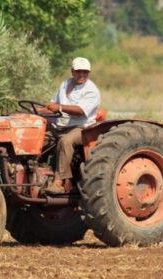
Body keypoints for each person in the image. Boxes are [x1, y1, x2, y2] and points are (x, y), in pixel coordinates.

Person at [39, 57, 101, 194]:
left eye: (85, 72)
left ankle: (59, 181)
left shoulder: (91, 91)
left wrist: (59, 107)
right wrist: (36, 111)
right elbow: (52, 105)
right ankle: (35, 173)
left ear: (89, 73)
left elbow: (80, 111)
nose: (82, 75)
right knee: (38, 138)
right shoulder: (65, 84)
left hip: (82, 127)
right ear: (72, 71)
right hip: (59, 125)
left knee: (66, 141)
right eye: (79, 71)